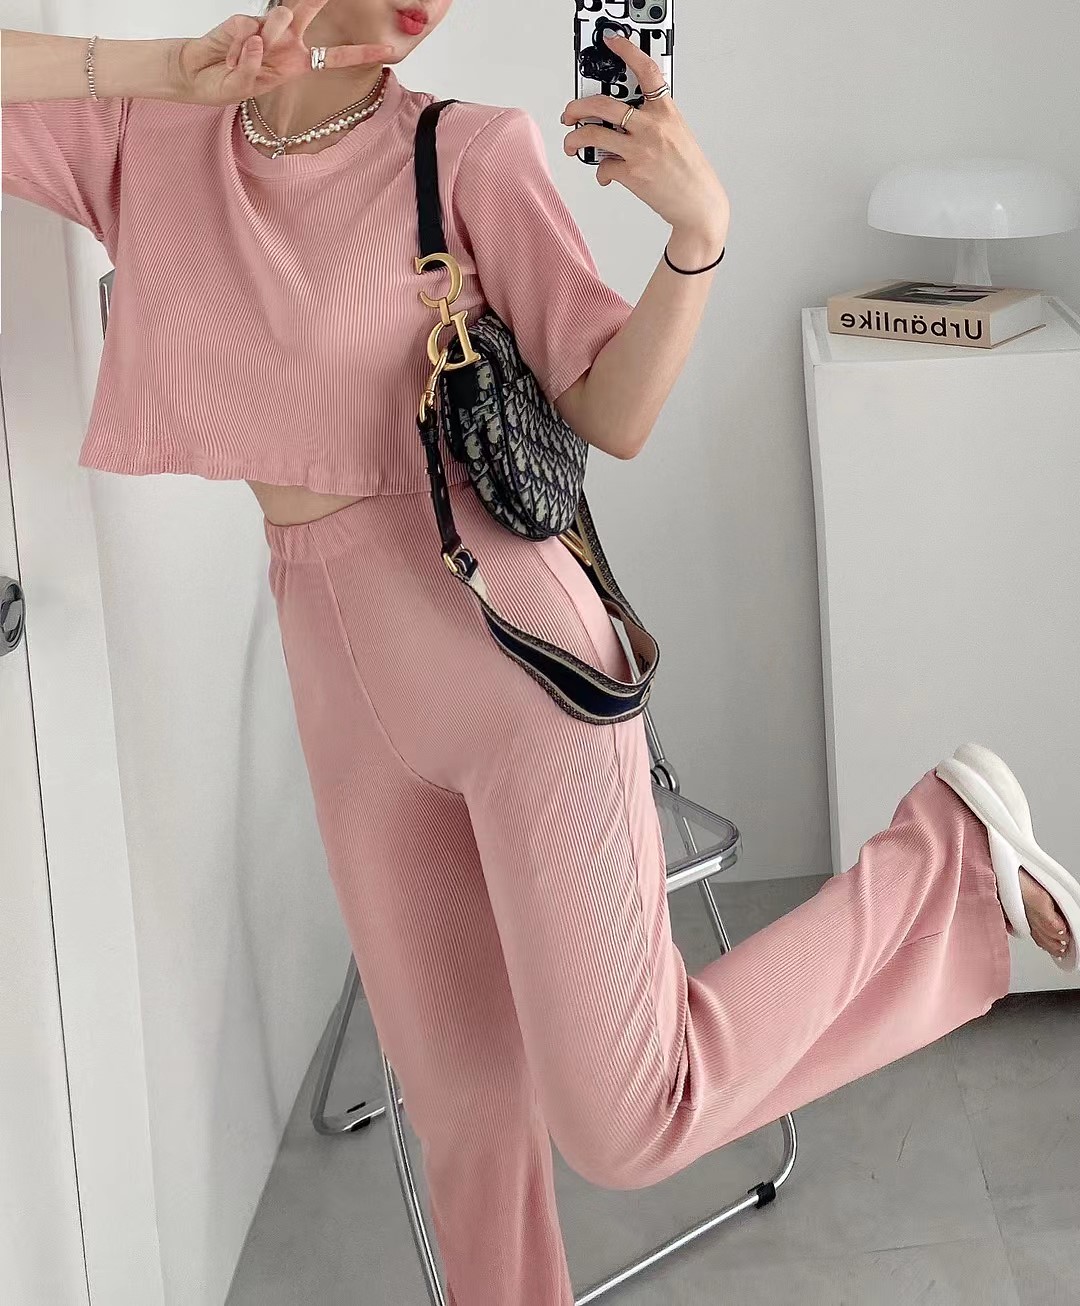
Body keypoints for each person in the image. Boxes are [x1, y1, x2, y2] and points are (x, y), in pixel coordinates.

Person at [3, 6, 1076, 1303]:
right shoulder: (151, 141)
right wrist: (160, 67)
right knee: (466, 1134)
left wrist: (697, 235)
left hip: (511, 658)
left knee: (628, 1121)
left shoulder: (462, 154)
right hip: (341, 688)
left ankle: (944, 858)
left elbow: (611, 413)